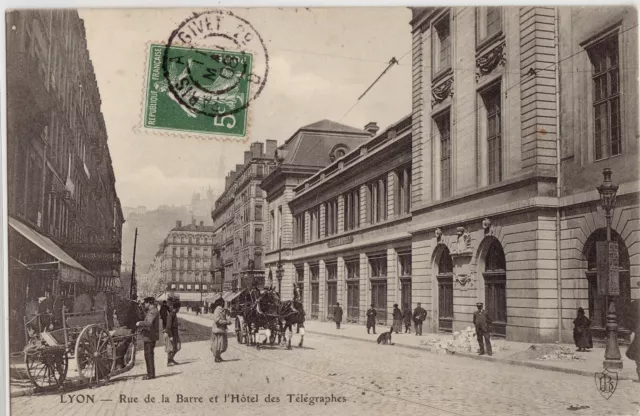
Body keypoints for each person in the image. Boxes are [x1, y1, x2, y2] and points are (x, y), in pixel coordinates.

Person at [136, 297, 159, 380]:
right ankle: (150, 373)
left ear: (149, 303)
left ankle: (151, 374)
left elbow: (149, 323)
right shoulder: (152, 310)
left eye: (145, 303)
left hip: (150, 336)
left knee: (149, 355)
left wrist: (139, 323)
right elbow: (145, 315)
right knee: (148, 355)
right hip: (149, 336)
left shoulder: (153, 311)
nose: (144, 304)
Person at [211, 298, 231, 363]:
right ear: (221, 303)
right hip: (218, 329)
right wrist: (226, 322)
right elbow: (217, 320)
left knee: (222, 345)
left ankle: (218, 356)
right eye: (223, 303)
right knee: (218, 344)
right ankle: (216, 357)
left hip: (221, 329)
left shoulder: (221, 310)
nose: (224, 304)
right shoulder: (217, 310)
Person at [626, 299, 640, 382]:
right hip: (638, 332)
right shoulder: (635, 303)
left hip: (638, 333)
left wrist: (632, 330)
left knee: (638, 357)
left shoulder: (635, 303)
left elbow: (630, 320)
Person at [165, 301, 181, 366]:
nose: (179, 310)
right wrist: (170, 336)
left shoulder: (174, 314)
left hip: (175, 333)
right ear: (177, 308)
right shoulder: (171, 314)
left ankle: (171, 359)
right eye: (179, 308)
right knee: (170, 348)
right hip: (171, 334)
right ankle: (169, 361)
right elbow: (168, 326)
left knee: (177, 347)